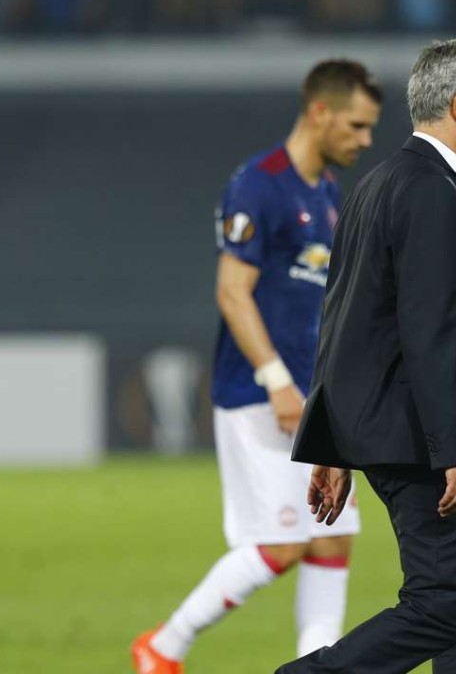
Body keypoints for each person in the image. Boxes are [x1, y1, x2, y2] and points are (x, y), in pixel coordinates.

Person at [274, 38, 456, 674]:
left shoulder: (378, 185)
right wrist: (453, 451)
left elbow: (345, 316)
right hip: (416, 437)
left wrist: (333, 444)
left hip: (393, 429)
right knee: (441, 605)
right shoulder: (433, 192)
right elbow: (427, 329)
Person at [131, 59, 382, 674]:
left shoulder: (327, 193)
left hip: (314, 396)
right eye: (356, 125)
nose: (366, 139)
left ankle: (314, 667)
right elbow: (231, 291)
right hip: (258, 394)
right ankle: (164, 646)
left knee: (331, 538)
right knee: (281, 543)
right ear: (319, 112)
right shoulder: (258, 185)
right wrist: (276, 381)